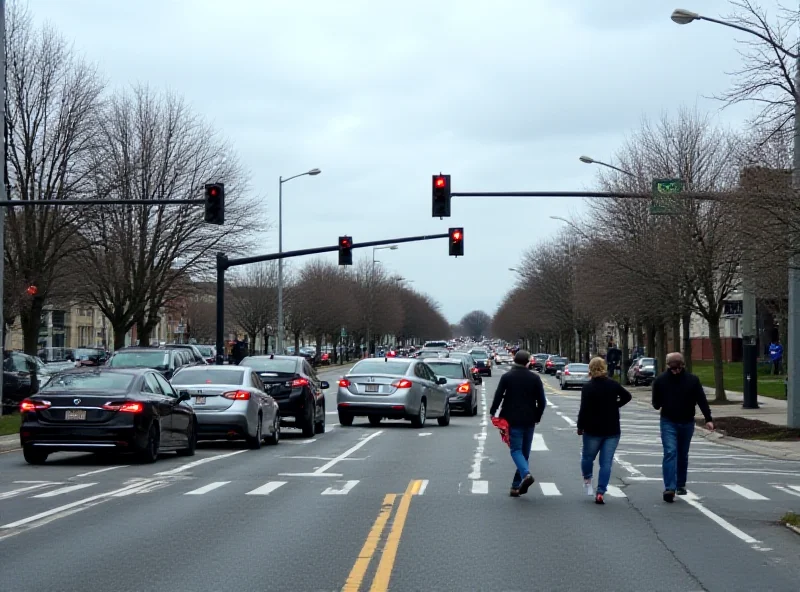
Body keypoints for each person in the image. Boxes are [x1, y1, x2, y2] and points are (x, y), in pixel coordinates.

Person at [652, 352, 714, 503]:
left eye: (678, 368)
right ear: (668, 367)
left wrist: (708, 419)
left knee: (682, 453)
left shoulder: (692, 380)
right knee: (670, 452)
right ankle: (669, 488)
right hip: (668, 421)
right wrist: (661, 400)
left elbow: (701, 399)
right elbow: (655, 404)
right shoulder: (660, 381)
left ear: (683, 366)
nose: (675, 371)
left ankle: (680, 484)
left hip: (687, 421)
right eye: (673, 369)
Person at [489, 349, 547, 497]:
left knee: (515, 450)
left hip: (512, 419)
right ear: (528, 362)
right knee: (524, 453)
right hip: (529, 419)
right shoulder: (535, 378)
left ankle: (525, 475)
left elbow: (498, 396)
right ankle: (515, 486)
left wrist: (493, 411)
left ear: (514, 360)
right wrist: (537, 416)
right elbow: (542, 401)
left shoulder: (507, 377)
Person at [577, 357, 632, 504]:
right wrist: (616, 405)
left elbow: (584, 409)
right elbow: (627, 396)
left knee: (588, 457)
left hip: (592, 428)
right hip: (612, 428)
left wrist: (580, 426)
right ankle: (601, 491)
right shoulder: (613, 385)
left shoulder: (588, 387)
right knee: (606, 463)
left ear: (590, 369)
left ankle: (588, 478)